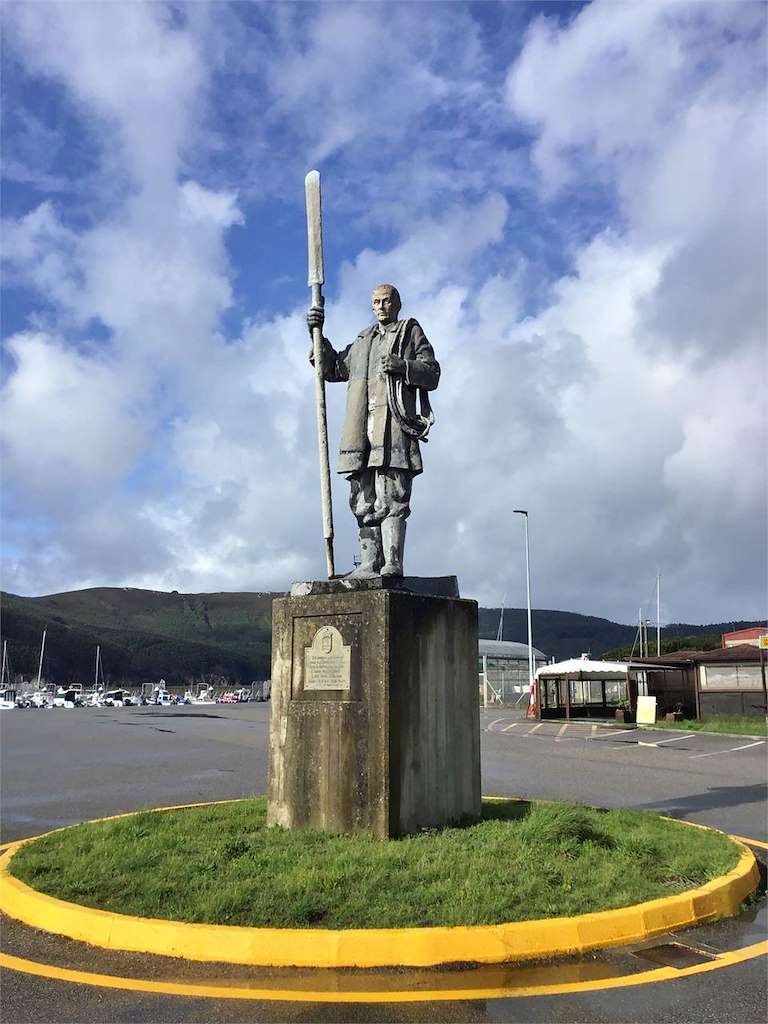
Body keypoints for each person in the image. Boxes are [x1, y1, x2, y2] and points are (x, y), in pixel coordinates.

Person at [307, 284, 440, 577]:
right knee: (363, 498)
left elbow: (432, 373)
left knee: (393, 493)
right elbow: (332, 369)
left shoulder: (409, 331)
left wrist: (402, 365)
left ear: (397, 304)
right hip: (360, 431)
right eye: (376, 302)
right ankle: (369, 564)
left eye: (386, 301)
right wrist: (317, 333)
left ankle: (392, 562)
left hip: (392, 426)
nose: (380, 307)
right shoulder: (363, 340)